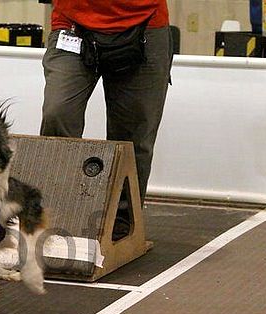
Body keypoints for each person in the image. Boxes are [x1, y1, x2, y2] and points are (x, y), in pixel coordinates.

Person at [40, 1, 173, 239]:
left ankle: (122, 220)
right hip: (72, 25)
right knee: (58, 112)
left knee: (134, 137)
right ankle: (54, 210)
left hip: (145, 25)